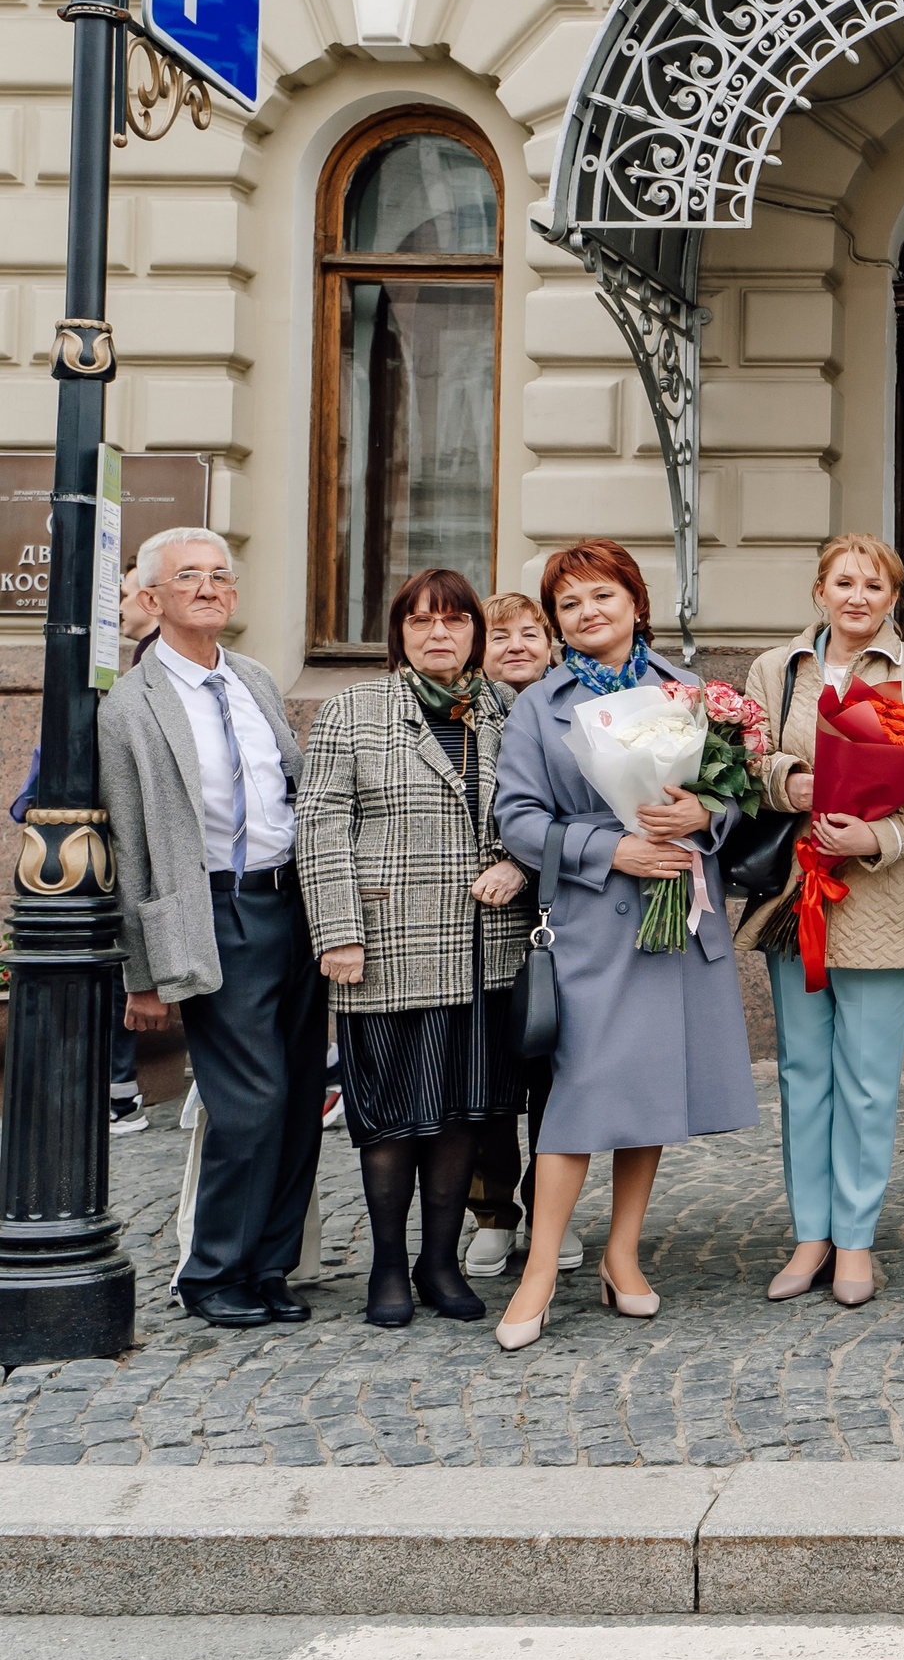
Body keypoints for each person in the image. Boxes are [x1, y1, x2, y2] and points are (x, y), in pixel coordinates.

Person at [488, 539, 760, 1350]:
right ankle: (540, 1269)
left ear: (635, 602)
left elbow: (731, 801)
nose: (587, 614)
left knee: (654, 1090)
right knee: (579, 1096)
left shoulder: (689, 693)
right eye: (569, 605)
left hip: (677, 913)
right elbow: (519, 819)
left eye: (600, 596)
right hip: (596, 921)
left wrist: (702, 817)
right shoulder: (541, 703)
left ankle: (622, 1254)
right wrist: (611, 849)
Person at [99, 528, 326, 1329]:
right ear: (152, 599)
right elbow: (128, 840)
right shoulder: (131, 705)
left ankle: (270, 1264)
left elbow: (294, 788)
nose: (208, 587)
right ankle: (213, 1270)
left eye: (220, 576)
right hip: (211, 911)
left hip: (292, 905)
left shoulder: (256, 679)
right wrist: (141, 971)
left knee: (300, 1093)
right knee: (251, 1098)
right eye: (187, 576)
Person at [298, 569, 530, 1328]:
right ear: (398, 632)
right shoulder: (353, 711)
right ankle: (388, 1266)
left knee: (462, 1112)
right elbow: (322, 827)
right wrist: (336, 932)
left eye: (456, 621)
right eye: (423, 621)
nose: (440, 634)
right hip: (386, 944)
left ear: (476, 633)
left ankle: (440, 1261)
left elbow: (535, 812)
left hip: (480, 949)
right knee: (391, 1116)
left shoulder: (504, 710)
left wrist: (521, 865)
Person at [738, 534, 904, 1307]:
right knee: (804, 1074)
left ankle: (856, 1240)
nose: (858, 595)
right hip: (796, 893)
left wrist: (876, 837)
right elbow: (743, 762)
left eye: (875, 583)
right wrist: (789, 782)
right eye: (844, 581)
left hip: (883, 895)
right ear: (819, 590)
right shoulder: (777, 669)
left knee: (868, 1079)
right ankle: (811, 1235)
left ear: (894, 596)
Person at [20, 565, 159, 1136]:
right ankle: (117, 1092)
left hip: (122, 859)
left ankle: (118, 1094)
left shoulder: (145, 672)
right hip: (97, 853)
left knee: (118, 969)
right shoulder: (120, 672)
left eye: (127, 594)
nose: (122, 606)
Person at [459, 591, 570, 1280]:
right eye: (501, 636)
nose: (518, 646)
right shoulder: (462, 714)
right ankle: (493, 1212)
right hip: (477, 922)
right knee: (489, 1081)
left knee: (556, 1078)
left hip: (561, 916)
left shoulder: (573, 709)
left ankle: (551, 1210)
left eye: (533, 633)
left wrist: (526, 862)